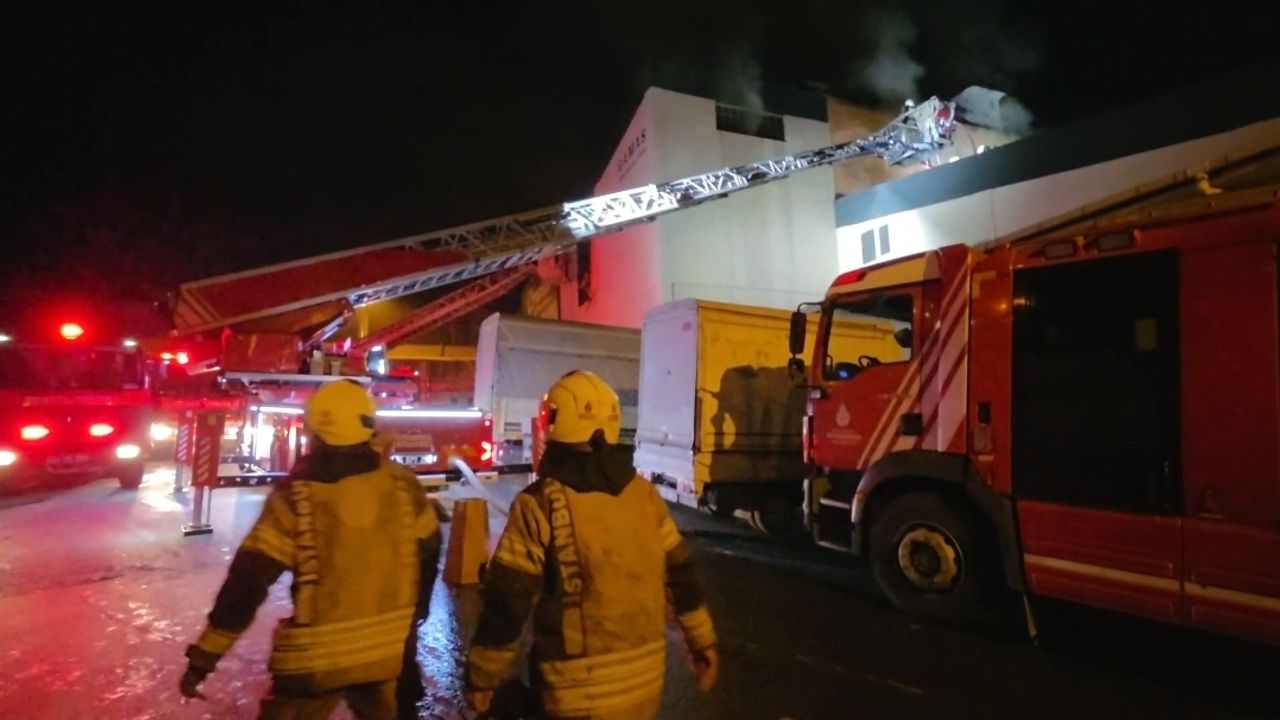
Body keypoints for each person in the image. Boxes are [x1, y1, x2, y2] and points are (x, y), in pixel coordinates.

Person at [179, 379, 441, 720]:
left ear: (314, 429)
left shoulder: (296, 497)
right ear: (368, 424)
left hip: (316, 659)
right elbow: (429, 554)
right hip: (387, 654)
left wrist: (204, 657)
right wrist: (413, 618)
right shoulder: (403, 485)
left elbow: (248, 582)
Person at [464, 370, 719, 719]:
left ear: (556, 424)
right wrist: (702, 642)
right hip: (645, 688)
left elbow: (509, 598)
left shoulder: (539, 502)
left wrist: (481, 678)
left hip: (574, 694)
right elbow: (682, 574)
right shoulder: (644, 496)